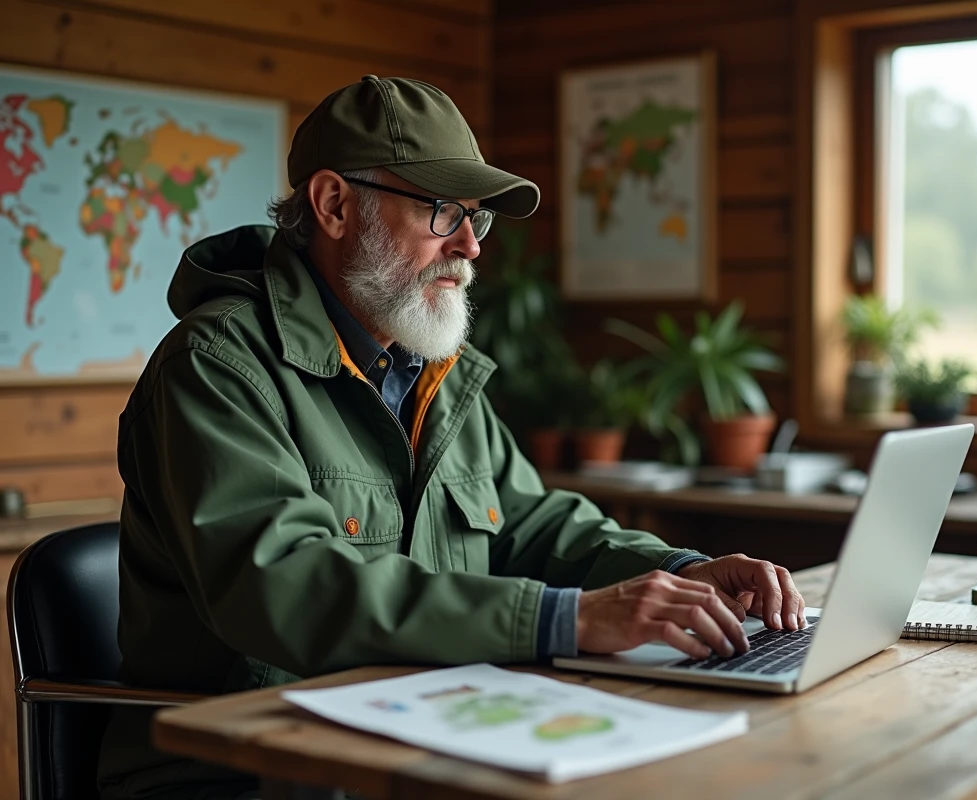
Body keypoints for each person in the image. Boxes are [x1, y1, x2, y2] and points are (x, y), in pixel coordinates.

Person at [98, 76, 803, 800]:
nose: (470, 245)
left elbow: (534, 522)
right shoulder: (215, 365)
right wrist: (567, 618)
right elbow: (285, 580)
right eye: (443, 212)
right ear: (335, 205)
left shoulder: (430, 366)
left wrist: (681, 569)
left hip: (417, 736)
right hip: (250, 770)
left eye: (475, 218)